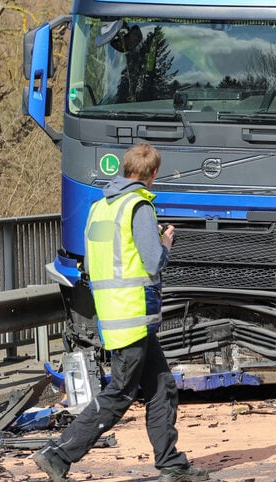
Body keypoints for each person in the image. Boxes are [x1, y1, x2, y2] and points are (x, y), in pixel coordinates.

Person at [34, 144, 208, 482]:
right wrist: (166, 242)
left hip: (115, 314)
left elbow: (101, 259)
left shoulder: (100, 207)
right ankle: (58, 454)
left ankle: (172, 464)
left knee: (162, 387)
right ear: (153, 174)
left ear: (125, 169)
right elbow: (153, 262)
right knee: (120, 393)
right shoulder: (138, 206)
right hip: (132, 315)